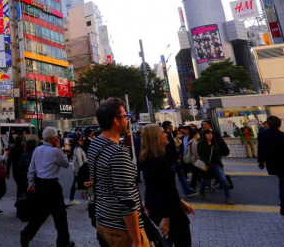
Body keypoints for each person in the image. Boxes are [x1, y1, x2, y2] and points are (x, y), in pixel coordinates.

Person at [88, 98, 149, 247]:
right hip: (122, 229)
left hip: (102, 220)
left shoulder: (94, 144)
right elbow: (126, 201)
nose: (127, 120)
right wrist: (136, 240)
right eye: (125, 116)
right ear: (116, 121)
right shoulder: (118, 153)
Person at [140, 124, 196, 246]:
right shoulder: (158, 162)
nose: (166, 134)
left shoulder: (149, 159)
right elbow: (162, 190)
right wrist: (166, 218)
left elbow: (163, 187)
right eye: (162, 132)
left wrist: (181, 201)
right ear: (155, 138)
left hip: (160, 210)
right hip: (169, 213)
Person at [20, 127, 74, 247]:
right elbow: (66, 164)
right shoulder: (56, 151)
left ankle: (27, 233)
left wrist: (31, 183)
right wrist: (60, 149)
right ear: (55, 139)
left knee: (41, 213)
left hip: (40, 185)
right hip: (52, 186)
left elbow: (31, 169)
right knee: (60, 215)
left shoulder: (37, 150)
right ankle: (63, 242)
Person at [257, 116, 284, 215]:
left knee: (283, 183)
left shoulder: (262, 134)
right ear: (279, 124)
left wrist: (260, 161)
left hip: (272, 164)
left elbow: (260, 149)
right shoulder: (283, 135)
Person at [162, 121, 198, 197]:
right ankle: (173, 193)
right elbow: (170, 148)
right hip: (172, 160)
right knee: (172, 177)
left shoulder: (169, 135)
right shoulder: (166, 135)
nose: (172, 127)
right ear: (168, 126)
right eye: (171, 126)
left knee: (180, 175)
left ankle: (187, 191)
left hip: (174, 159)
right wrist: (176, 157)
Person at [198, 129, 233, 205]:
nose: (210, 135)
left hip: (216, 164)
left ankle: (228, 197)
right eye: (208, 134)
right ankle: (202, 192)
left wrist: (221, 165)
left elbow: (217, 155)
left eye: (211, 133)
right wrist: (207, 163)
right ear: (204, 135)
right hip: (207, 165)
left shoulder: (214, 143)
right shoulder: (200, 144)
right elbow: (200, 155)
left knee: (224, 180)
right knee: (206, 180)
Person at [69, 135, 86, 205]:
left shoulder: (76, 148)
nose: (82, 141)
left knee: (76, 183)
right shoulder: (78, 149)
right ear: (77, 141)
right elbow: (80, 161)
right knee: (79, 184)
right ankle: (72, 199)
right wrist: (83, 170)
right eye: (80, 140)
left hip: (77, 169)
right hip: (79, 170)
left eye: (82, 140)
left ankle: (72, 198)